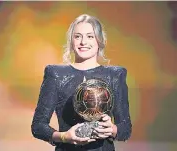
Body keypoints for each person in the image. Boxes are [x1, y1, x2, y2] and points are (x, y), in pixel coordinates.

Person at [31, 14, 132, 151]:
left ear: (100, 40)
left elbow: (125, 129)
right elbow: (38, 126)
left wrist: (112, 129)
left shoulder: (115, 75)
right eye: (78, 36)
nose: (83, 42)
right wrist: (65, 137)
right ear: (71, 42)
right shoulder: (56, 74)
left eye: (90, 36)